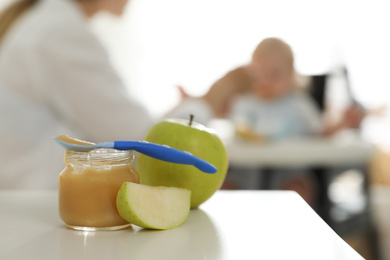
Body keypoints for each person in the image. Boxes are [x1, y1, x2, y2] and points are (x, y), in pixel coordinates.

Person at [0, 0, 242, 189]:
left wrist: (187, 110)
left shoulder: (45, 23)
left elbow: (120, 132)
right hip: (44, 208)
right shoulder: (61, 33)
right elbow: (143, 146)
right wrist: (209, 101)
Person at [222, 38, 364, 205]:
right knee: (224, 187)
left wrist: (343, 123)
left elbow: (321, 132)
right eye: (259, 73)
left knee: (300, 187)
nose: (266, 80)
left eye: (274, 74)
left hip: (289, 171)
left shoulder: (299, 104)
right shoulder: (243, 103)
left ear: (290, 76)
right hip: (246, 173)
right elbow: (230, 134)